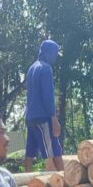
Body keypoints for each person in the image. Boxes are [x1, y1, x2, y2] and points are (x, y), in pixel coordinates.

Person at [23, 39, 64, 172]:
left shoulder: (31, 68)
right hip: (42, 118)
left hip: (30, 117)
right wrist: (54, 118)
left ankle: (26, 181)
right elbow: (47, 96)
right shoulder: (46, 69)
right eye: (55, 54)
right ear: (47, 53)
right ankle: (62, 185)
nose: (56, 57)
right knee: (53, 152)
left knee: (30, 152)